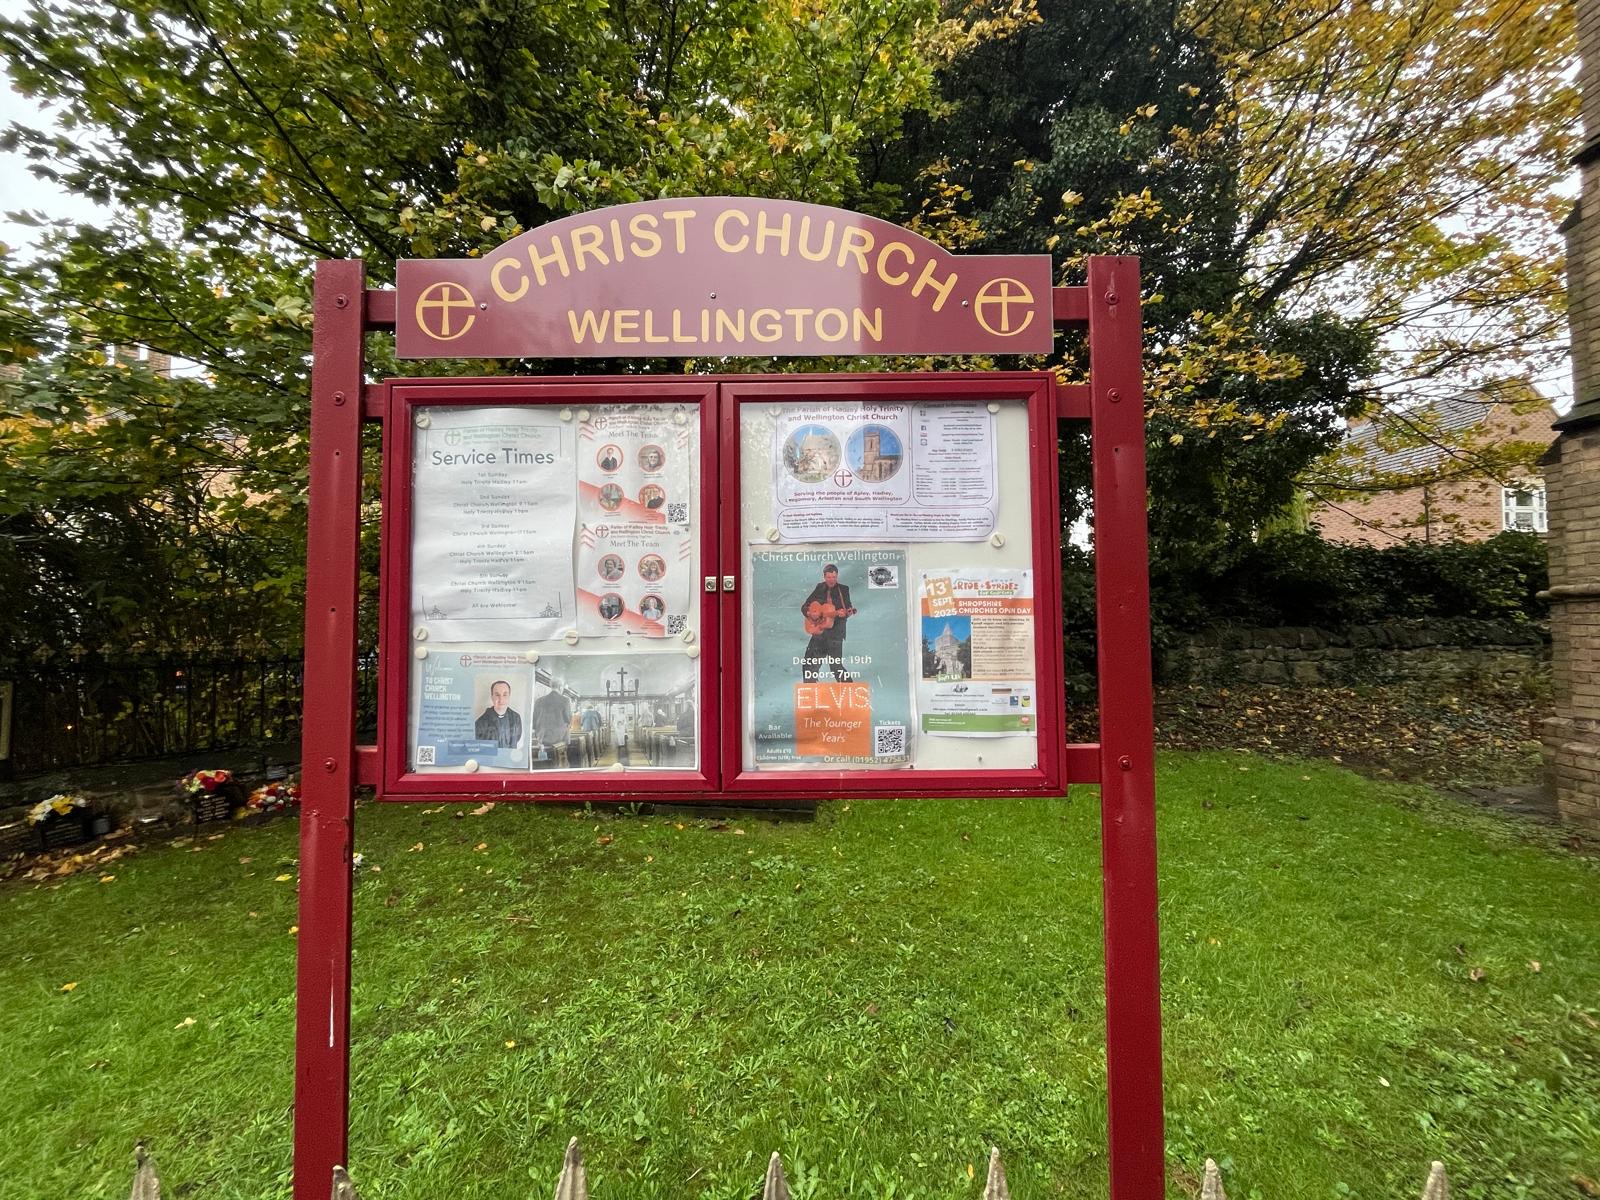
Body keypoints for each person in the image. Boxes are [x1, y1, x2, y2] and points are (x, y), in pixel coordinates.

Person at [798, 563, 855, 682]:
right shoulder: (820, 587)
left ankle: (850, 690)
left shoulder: (844, 589)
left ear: (837, 576)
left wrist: (846, 613)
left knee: (836, 667)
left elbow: (848, 607)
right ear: (824, 577)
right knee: (809, 664)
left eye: (834, 577)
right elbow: (805, 606)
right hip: (819, 633)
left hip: (835, 634)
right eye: (829, 577)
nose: (832, 580)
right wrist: (811, 613)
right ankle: (810, 691)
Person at [531, 683, 573, 764]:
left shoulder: (539, 700)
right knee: (561, 760)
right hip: (560, 739)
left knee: (544, 761)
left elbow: (534, 721)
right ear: (560, 687)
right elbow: (568, 719)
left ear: (551, 686)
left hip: (542, 738)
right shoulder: (565, 700)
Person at [473, 680, 522, 748]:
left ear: (509, 696)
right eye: (497, 695)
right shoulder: (481, 723)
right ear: (492, 697)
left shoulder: (516, 718)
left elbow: (517, 738)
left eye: (505, 695)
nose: (501, 700)